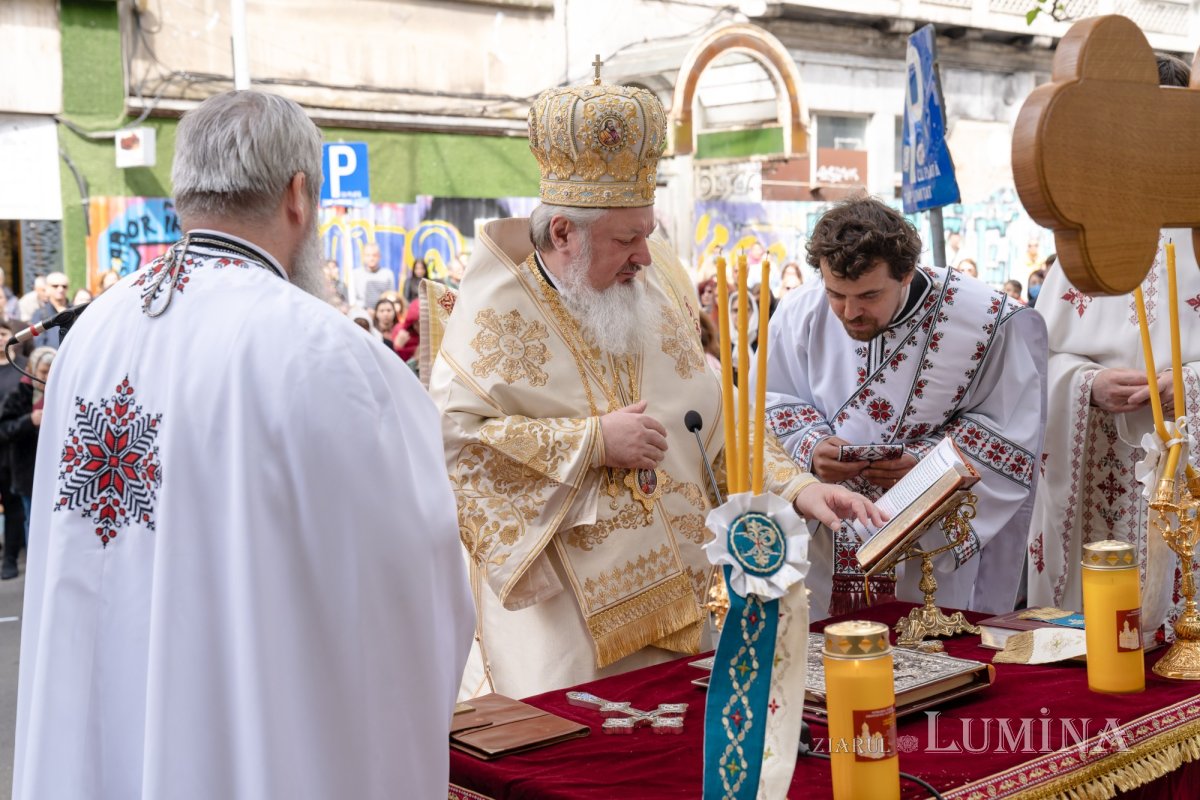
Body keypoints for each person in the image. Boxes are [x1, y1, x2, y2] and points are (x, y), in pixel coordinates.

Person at [12, 89, 472, 800]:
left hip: (110, 737)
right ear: (299, 196)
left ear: (184, 191)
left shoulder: (93, 333)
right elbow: (409, 581)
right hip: (247, 741)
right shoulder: (323, 351)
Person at [431, 77, 880, 700]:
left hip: (693, 600)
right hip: (573, 631)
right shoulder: (490, 316)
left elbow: (718, 417)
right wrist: (592, 443)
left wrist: (800, 488)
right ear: (563, 233)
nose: (646, 256)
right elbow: (455, 447)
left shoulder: (657, 285)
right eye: (626, 239)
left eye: (648, 232)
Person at [760, 196, 1048, 619]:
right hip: (822, 535)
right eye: (836, 294)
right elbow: (768, 401)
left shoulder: (983, 320)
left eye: (869, 295)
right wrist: (811, 447)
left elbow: (1011, 432)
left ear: (907, 273)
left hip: (926, 544)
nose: (850, 311)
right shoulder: (800, 310)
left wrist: (925, 462)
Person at [1027, 55, 1200, 641]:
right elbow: (1034, 363)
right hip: (1101, 474)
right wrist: (1086, 383)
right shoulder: (1086, 233)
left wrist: (1194, 388)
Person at [0, 346, 54, 571]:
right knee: (34, 523)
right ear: (32, 369)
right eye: (43, 372)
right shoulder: (21, 393)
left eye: (52, 371)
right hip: (28, 473)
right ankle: (37, 570)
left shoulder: (64, 390)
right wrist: (29, 421)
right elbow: (4, 428)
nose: (48, 377)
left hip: (56, 474)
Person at [0, 322, 27, 578]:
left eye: (3, 334)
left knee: (13, 504)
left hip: (13, 447)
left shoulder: (22, 366)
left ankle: (10, 558)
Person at [349, 242, 395, 310]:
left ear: (379, 256)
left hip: (382, 313)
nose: (371, 258)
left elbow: (390, 298)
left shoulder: (388, 274)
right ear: (363, 257)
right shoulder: (355, 274)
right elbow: (353, 300)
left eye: (374, 255)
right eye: (368, 255)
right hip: (361, 313)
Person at [29, 272, 69, 348]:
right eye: (55, 286)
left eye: (64, 286)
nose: (60, 289)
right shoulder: (39, 314)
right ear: (47, 288)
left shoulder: (75, 311)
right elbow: (38, 343)